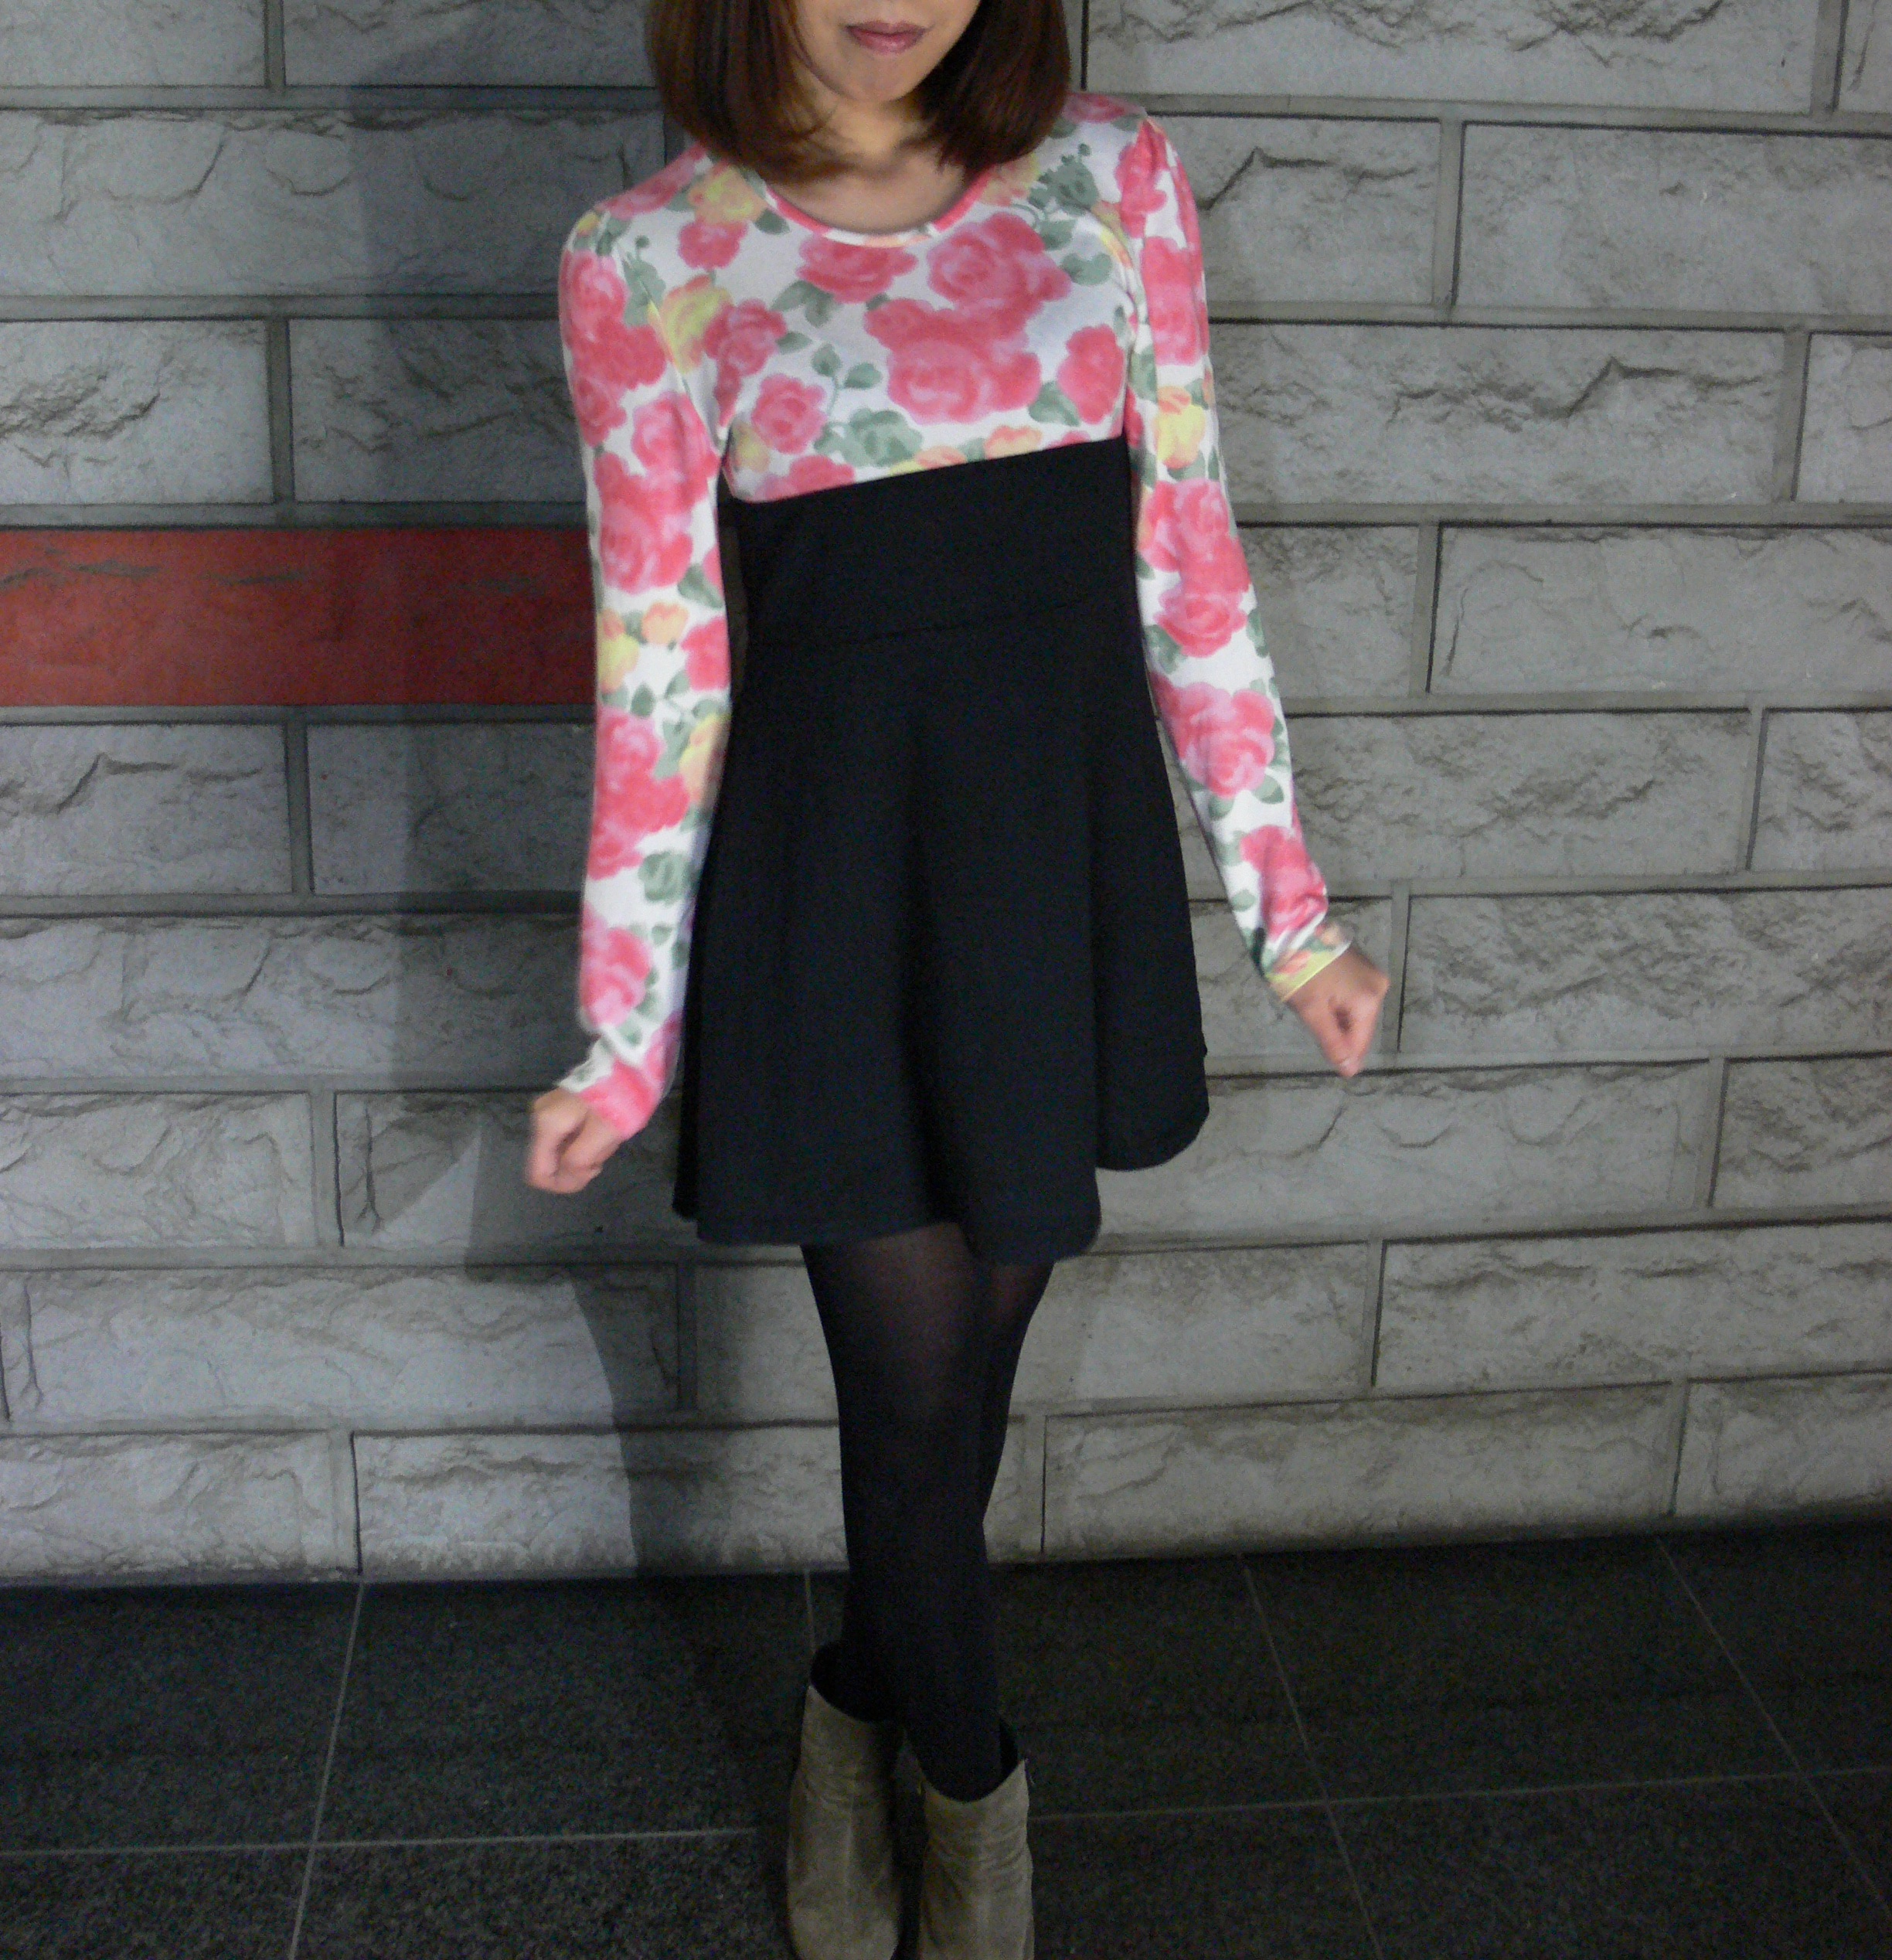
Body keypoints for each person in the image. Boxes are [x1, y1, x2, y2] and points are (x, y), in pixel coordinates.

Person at [523, 2, 1390, 1951]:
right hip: (832, 888)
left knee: (950, 1399)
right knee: (909, 1397)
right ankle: (975, 1806)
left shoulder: (1114, 179)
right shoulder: (647, 256)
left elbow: (1189, 557)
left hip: (1047, 875)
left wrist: (1294, 915)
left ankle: (852, 1703)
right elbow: (662, 664)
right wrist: (623, 1034)